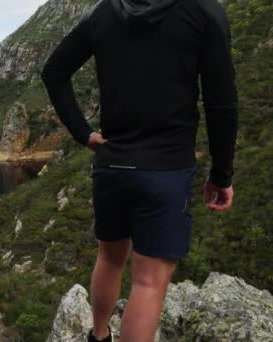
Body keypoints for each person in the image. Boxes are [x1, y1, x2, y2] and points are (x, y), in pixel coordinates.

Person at [40, 0, 238, 340]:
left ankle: (99, 335)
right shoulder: (204, 11)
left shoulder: (105, 11)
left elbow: (54, 72)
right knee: (148, 282)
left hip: (112, 163)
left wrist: (83, 134)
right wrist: (221, 174)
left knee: (109, 259)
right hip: (167, 169)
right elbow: (221, 101)